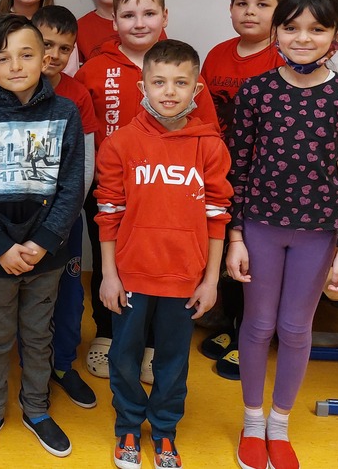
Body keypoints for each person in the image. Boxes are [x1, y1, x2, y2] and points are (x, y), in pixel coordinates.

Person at [227, 0, 338, 469]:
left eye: (317, 29)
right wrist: (235, 236)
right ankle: (252, 421)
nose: (303, 38)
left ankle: (279, 424)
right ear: (277, 32)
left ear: (336, 34)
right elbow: (237, 168)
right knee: (258, 324)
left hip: (319, 234)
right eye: (291, 27)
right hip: (260, 228)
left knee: (294, 328)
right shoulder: (256, 91)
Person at [96, 39, 233, 469]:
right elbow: (108, 213)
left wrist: (210, 281)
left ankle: (165, 431)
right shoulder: (120, 143)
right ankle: (128, 426)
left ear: (197, 89)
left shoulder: (209, 145)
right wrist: (109, 275)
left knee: (172, 362)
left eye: (180, 82)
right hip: (131, 276)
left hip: (185, 280)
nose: (169, 91)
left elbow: (217, 217)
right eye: (159, 82)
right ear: (143, 87)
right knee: (124, 357)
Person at [75, 0, 219, 382]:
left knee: (163, 267)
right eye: (128, 15)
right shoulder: (94, 69)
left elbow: (207, 132)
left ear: (165, 16)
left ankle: (154, 342)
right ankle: (106, 331)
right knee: (107, 260)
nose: (139, 23)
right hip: (111, 190)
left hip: (171, 193)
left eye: (149, 13)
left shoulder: (183, 69)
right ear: (113, 21)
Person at [0, 15, 85, 459]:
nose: (15, 65)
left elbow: (71, 186)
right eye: (3, 58)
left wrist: (44, 241)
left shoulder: (65, 113)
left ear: (45, 58)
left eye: (26, 55)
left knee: (37, 335)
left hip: (45, 254)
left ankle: (36, 409)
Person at [198, 0, 288, 380]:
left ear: (281, 13)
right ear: (230, 8)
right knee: (229, 255)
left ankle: (250, 336)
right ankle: (230, 324)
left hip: (263, 177)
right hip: (221, 171)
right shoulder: (217, 54)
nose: (250, 12)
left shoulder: (282, 58)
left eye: (262, 5)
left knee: (257, 259)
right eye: (242, 3)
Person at [31, 5, 100, 409]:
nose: (54, 55)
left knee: (69, 294)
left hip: (65, 220)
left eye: (64, 48)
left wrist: (67, 213)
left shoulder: (77, 94)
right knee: (25, 296)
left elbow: (86, 163)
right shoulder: (12, 87)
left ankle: (62, 364)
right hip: (21, 220)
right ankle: (31, 367)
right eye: (46, 44)